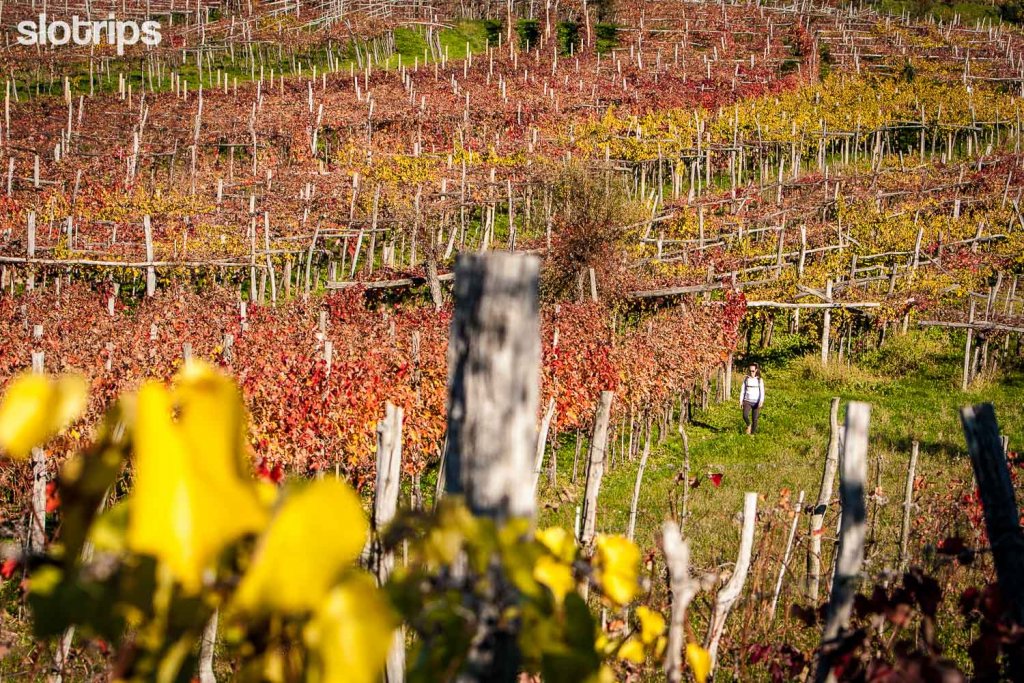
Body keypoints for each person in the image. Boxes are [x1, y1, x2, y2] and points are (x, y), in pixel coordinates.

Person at [739, 363, 764, 434]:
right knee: (745, 415)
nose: (751, 372)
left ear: (756, 370)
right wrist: (741, 401)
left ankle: (752, 434)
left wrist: (761, 401)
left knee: (755, 419)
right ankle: (748, 425)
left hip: (756, 402)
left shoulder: (759, 380)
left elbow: (762, 391)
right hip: (747, 401)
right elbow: (742, 390)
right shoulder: (746, 379)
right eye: (750, 371)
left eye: (753, 371)